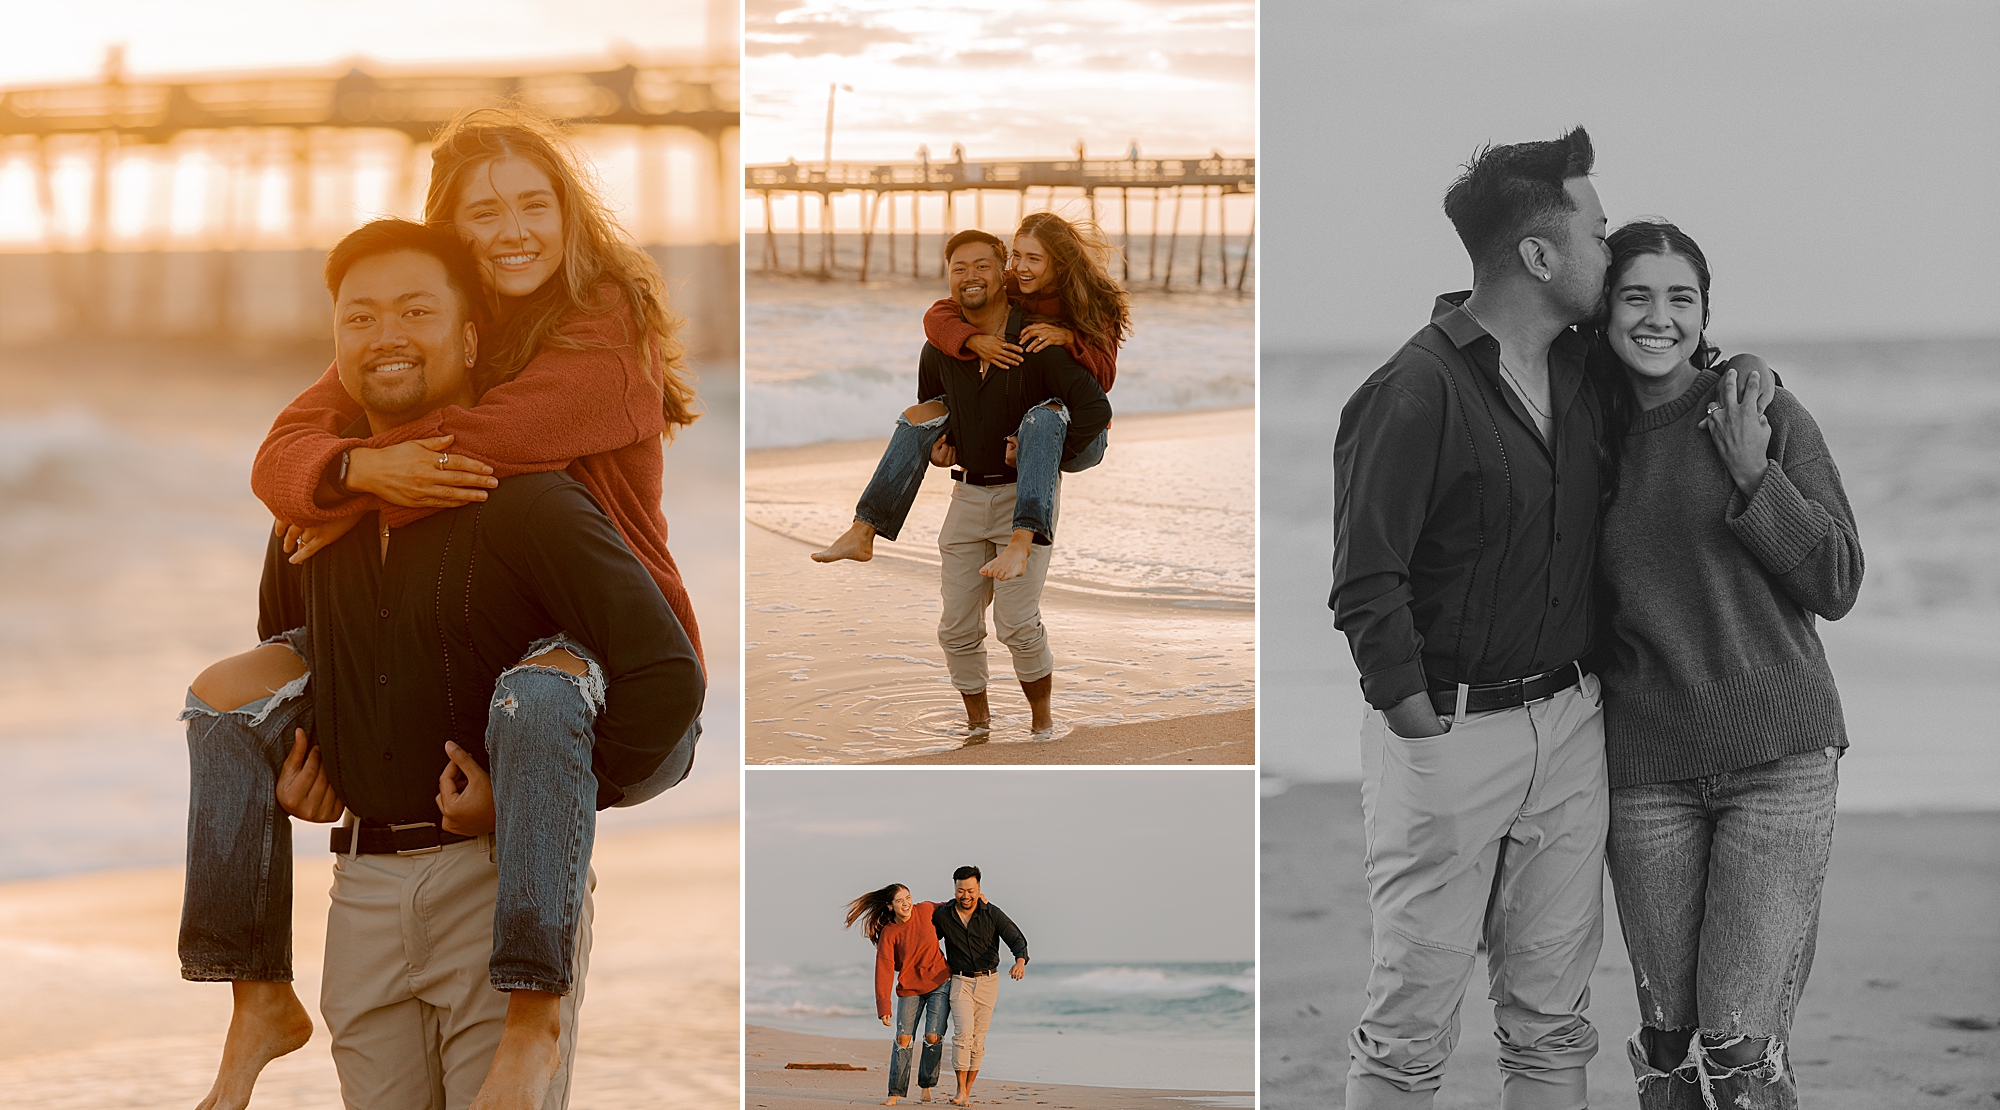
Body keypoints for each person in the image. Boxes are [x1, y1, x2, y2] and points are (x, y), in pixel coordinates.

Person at [183, 105, 706, 1110]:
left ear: (567, 213)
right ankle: (253, 987)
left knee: (535, 696)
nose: (511, 229)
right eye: (482, 213)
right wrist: (339, 469)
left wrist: (352, 473)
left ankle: (531, 1013)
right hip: (437, 651)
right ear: (448, 234)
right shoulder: (413, 326)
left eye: (532, 204)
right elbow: (282, 454)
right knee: (224, 701)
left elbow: (465, 453)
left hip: (590, 649)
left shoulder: (603, 330)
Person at [1327, 125, 1617, 1110]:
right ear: (1539, 255)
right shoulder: (1411, 392)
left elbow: (1674, 346)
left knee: (1550, 1022)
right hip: (1445, 734)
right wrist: (1418, 727)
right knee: (1409, 1029)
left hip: (1573, 731)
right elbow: (1366, 580)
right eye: (1599, 235)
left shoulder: (1585, 372)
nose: (1610, 256)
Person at [1587, 220, 1861, 1109]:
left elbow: (1839, 579)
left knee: (1738, 1046)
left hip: (1779, 764)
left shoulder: (1759, 411)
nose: (1658, 317)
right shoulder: (1586, 437)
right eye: (1636, 295)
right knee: (1668, 1050)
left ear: (1705, 312)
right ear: (1602, 308)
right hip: (1646, 776)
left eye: (1681, 298)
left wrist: (1755, 479)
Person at [811, 211, 1126, 581]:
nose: (1022, 268)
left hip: (1083, 432)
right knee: (923, 414)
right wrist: (974, 341)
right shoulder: (1011, 286)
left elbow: (1102, 381)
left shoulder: (1092, 302)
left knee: (1043, 417)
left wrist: (1071, 339)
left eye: (1034, 259)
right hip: (1034, 420)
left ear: (1060, 262)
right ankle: (864, 530)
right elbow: (937, 316)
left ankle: (1022, 543)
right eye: (1017, 257)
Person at [846, 883, 954, 1105]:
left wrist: (975, 901)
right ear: (890, 906)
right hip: (909, 988)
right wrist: (883, 1007)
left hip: (940, 982)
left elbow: (951, 908)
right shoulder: (889, 933)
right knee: (903, 1039)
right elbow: (884, 969)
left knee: (933, 1037)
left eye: (908, 897)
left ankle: (926, 1086)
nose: (906, 903)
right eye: (899, 900)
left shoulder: (925, 910)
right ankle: (895, 1092)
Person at [929, 866, 1028, 1107]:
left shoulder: (991, 913)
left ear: (979, 889)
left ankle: (967, 1090)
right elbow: (926, 934)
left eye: (971, 890)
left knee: (978, 1039)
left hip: (988, 981)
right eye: (960, 890)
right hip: (960, 981)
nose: (966, 895)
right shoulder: (944, 915)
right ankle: (960, 1090)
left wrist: (1020, 961)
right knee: (962, 1034)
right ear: (954, 889)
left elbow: (1014, 936)